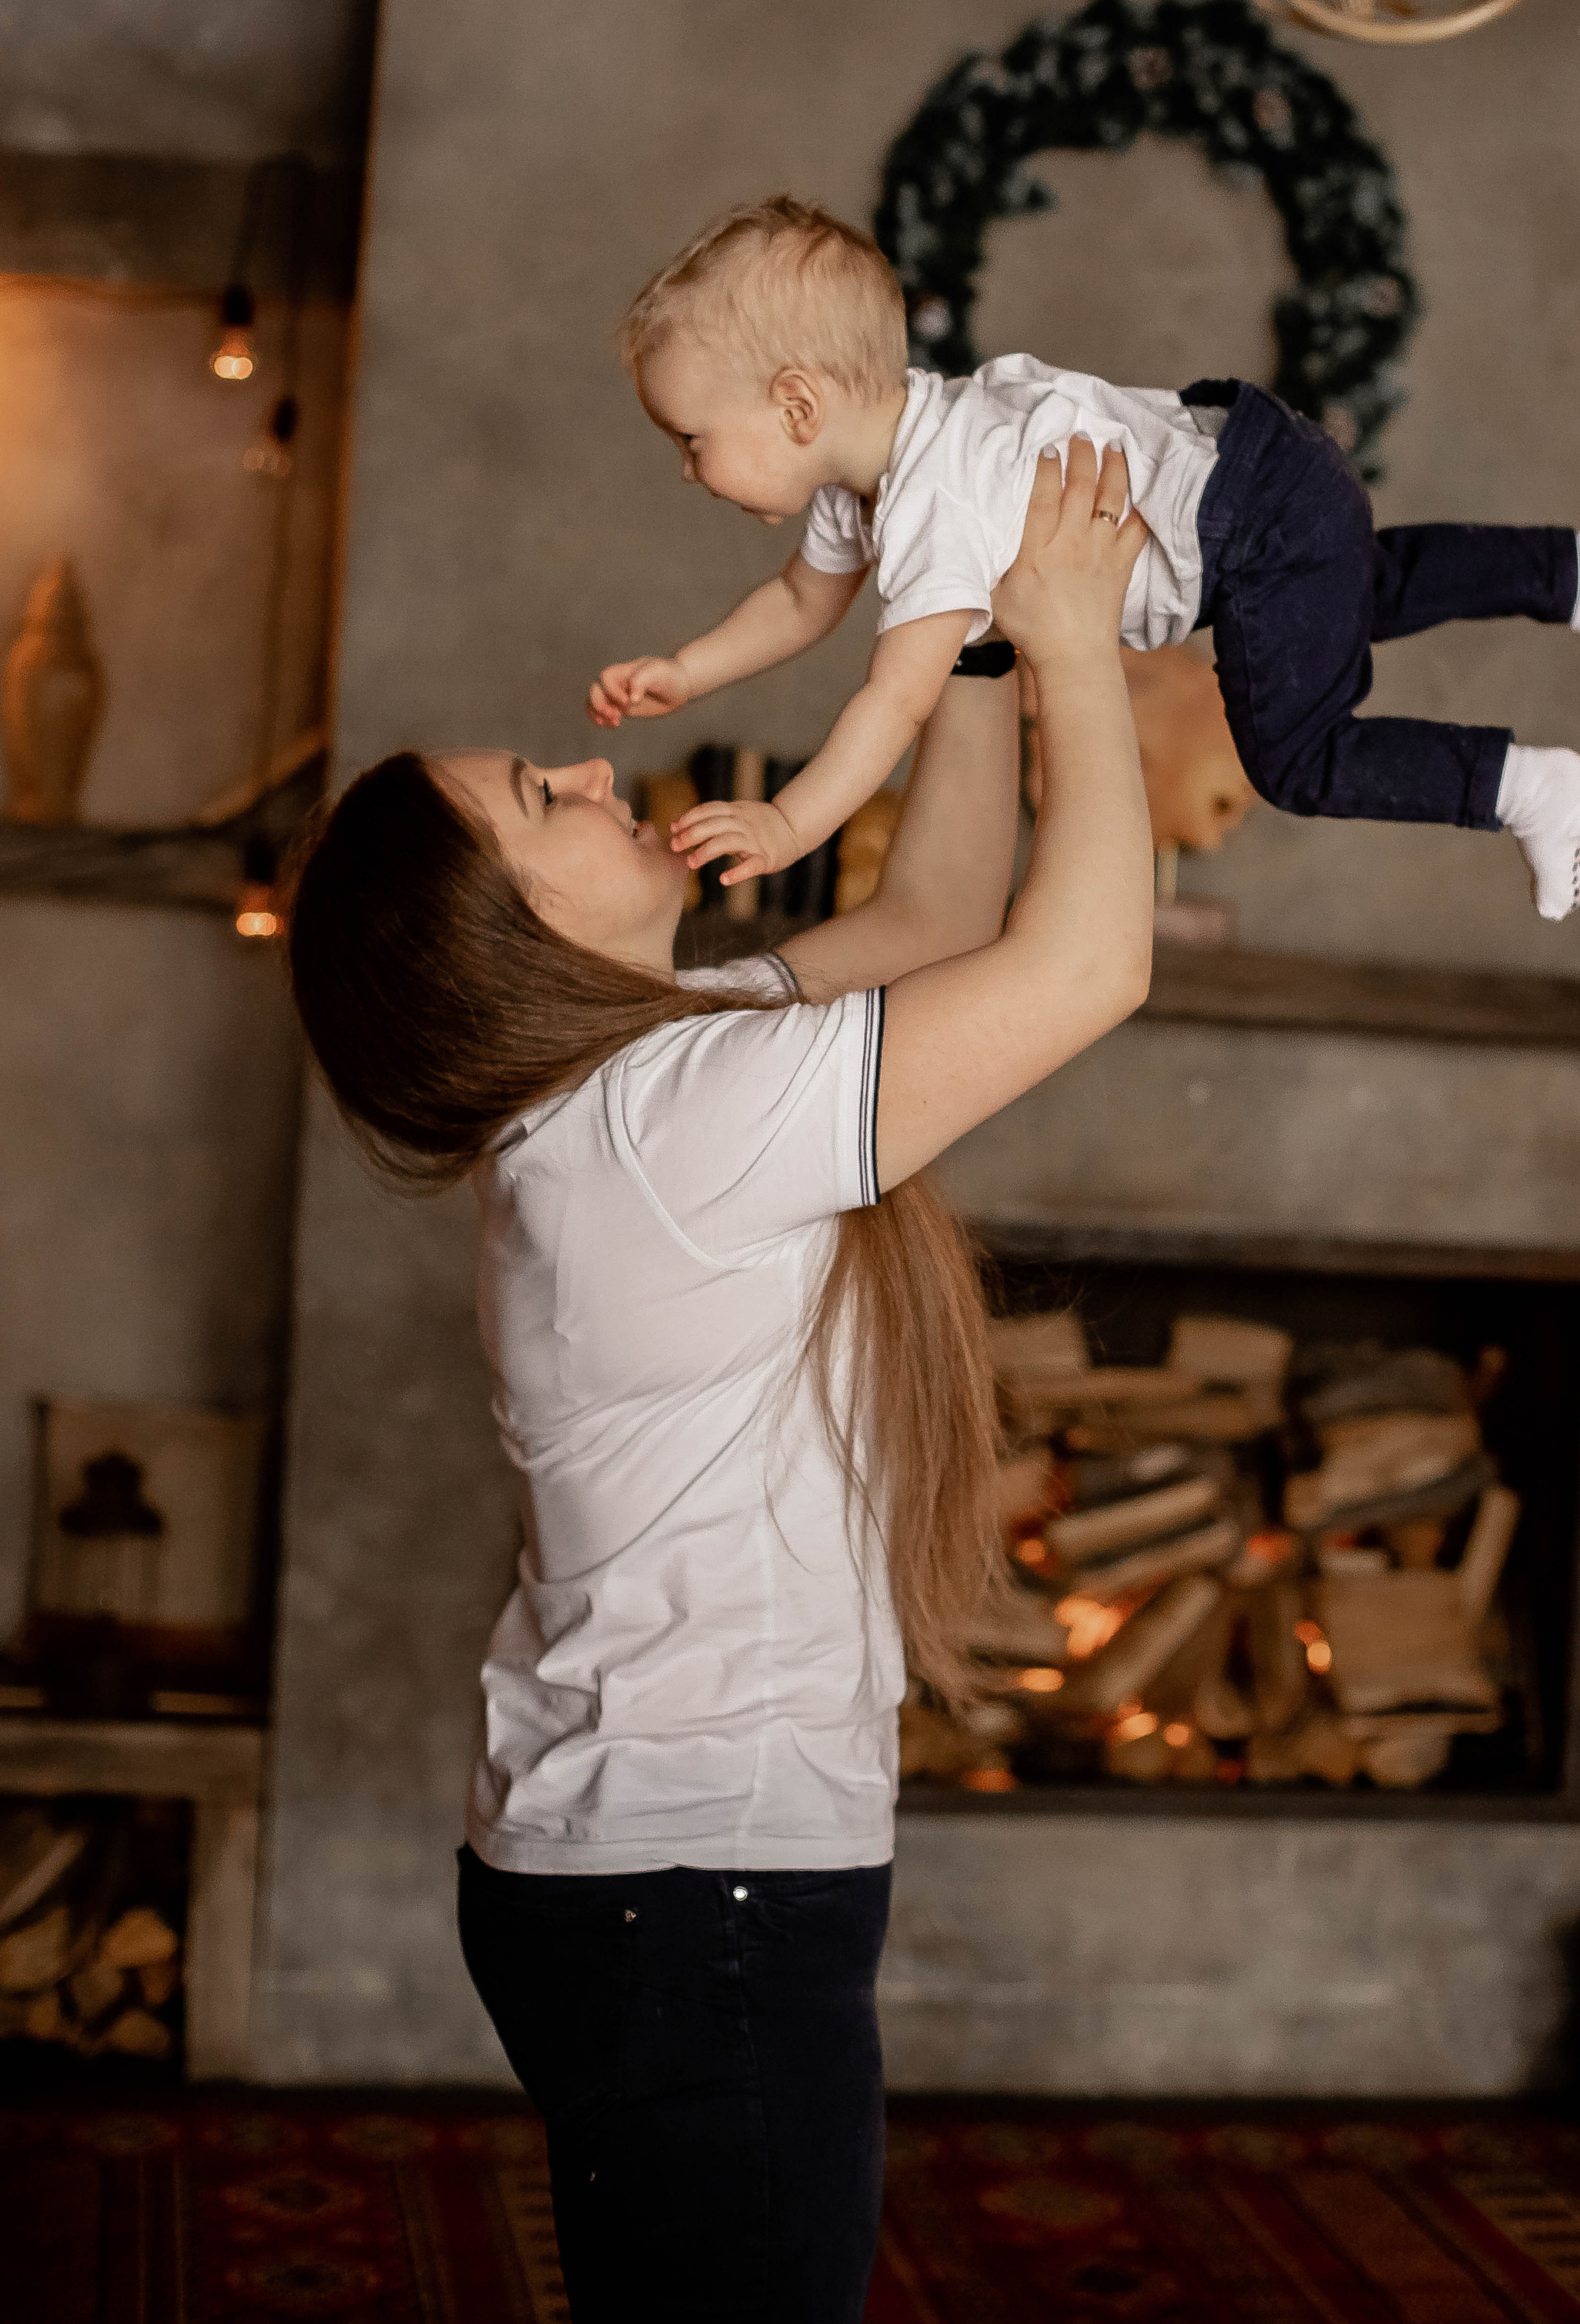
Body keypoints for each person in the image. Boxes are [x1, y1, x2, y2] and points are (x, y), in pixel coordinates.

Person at [282, 442, 1152, 2324]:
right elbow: (1083, 968)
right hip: (694, 1895)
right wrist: (1078, 645)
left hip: (644, 1877)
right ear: (506, 937)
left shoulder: (648, 1080)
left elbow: (933, 919)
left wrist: (973, 642)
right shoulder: (663, 1126)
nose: (595, 769)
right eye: (543, 795)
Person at [589, 195, 1580, 925]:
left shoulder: (934, 504)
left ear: (795, 406)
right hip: (1268, 472)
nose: (689, 468)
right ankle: (1565, 569)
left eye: (691, 439)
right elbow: (798, 601)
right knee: (1365, 588)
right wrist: (691, 669)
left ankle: (1523, 785)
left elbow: (894, 703)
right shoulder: (882, 462)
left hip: (1247, 530)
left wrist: (790, 821)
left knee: (1298, 758)